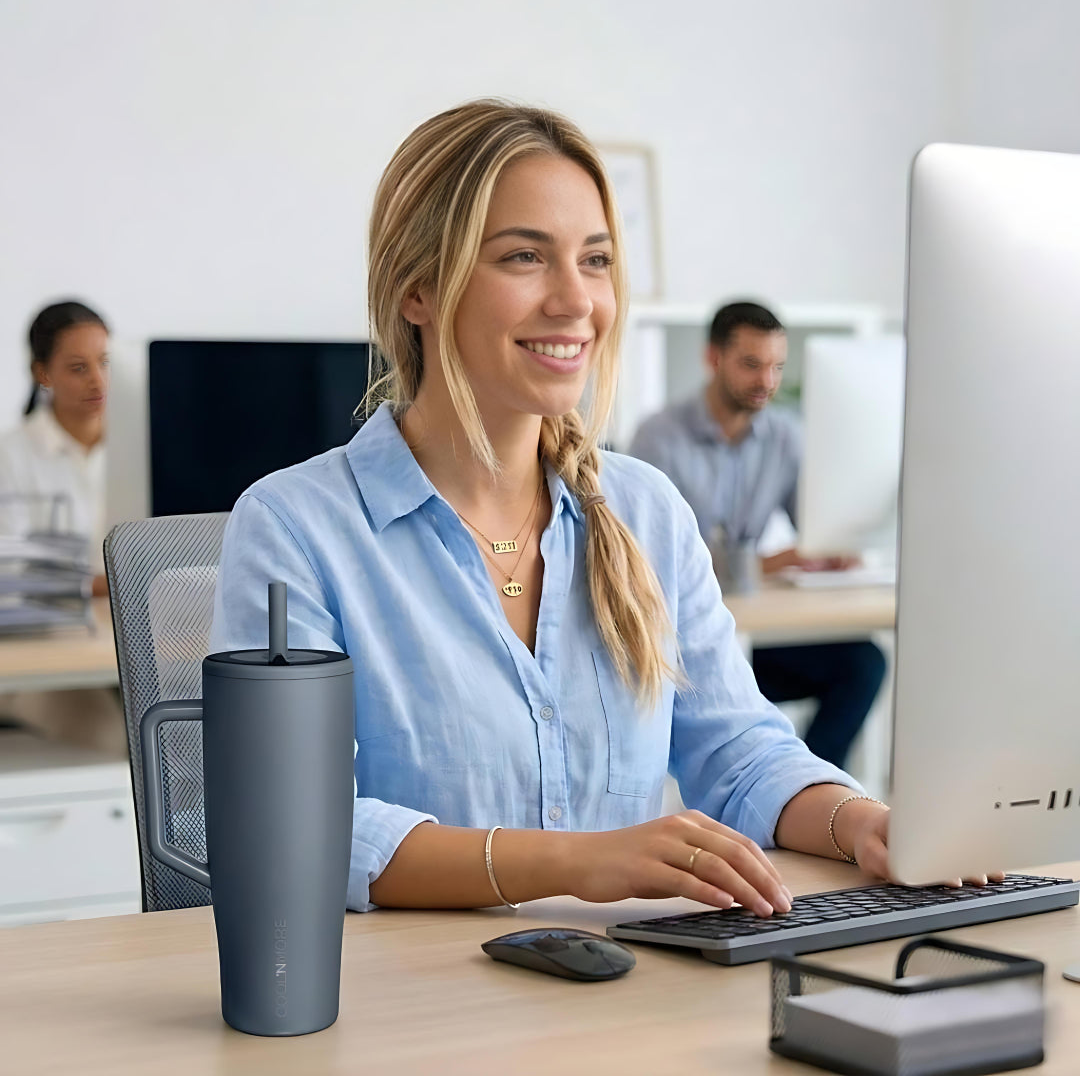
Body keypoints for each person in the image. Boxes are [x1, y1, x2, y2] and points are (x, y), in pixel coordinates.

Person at [211, 100, 986, 916]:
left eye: (597, 260)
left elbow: (738, 748)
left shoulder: (645, 509)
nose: (576, 300)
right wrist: (574, 863)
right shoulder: (296, 527)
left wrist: (862, 822)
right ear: (418, 289)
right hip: (409, 1019)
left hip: (618, 1000)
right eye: (524, 257)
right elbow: (300, 827)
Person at [629, 302, 886, 771]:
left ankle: (808, 790)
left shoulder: (784, 438)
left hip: (752, 631)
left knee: (863, 664)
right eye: (751, 364)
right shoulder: (659, 439)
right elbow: (656, 561)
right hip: (684, 644)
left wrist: (833, 544)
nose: (767, 381)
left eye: (776, 367)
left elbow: (813, 526)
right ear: (714, 359)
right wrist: (771, 563)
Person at [0, 300, 110, 597]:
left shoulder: (141, 447)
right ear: (43, 374)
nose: (98, 381)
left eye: (105, 362)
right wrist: (100, 587)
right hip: (50, 633)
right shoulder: (9, 455)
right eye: (79, 368)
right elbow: (9, 570)